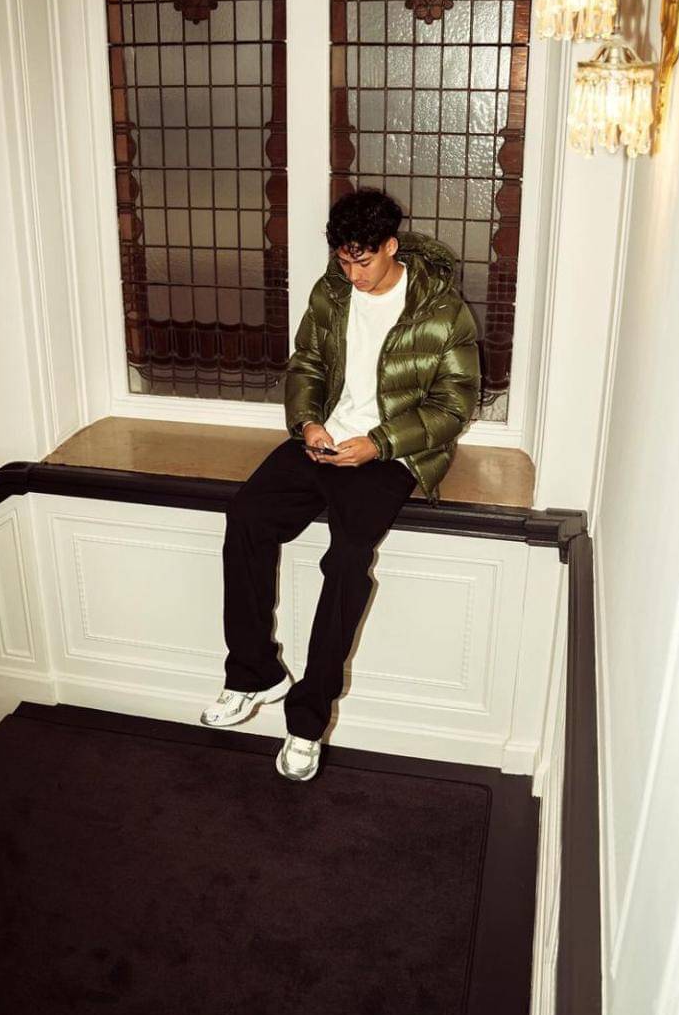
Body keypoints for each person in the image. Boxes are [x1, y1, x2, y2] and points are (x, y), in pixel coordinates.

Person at [200, 188, 482, 781]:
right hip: (325, 438)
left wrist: (378, 443)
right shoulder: (330, 293)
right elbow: (305, 363)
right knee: (247, 515)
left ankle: (307, 722)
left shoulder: (442, 310)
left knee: (348, 560)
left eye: (363, 260)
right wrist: (308, 422)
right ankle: (254, 673)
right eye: (344, 260)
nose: (353, 274)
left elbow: (454, 404)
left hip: (393, 454)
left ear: (391, 246)